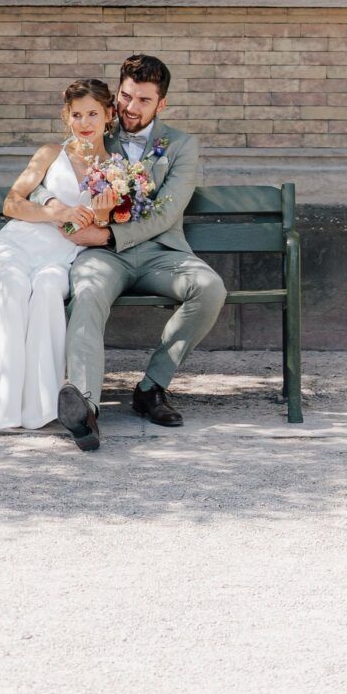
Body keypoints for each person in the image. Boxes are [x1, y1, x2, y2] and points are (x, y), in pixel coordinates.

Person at [56, 53, 226, 455]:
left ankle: (151, 388)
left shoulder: (181, 145)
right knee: (87, 292)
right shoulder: (97, 129)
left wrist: (109, 235)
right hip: (104, 257)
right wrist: (58, 210)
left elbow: (168, 212)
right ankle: (84, 407)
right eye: (126, 96)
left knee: (210, 288)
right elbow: (57, 172)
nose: (131, 107)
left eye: (144, 100)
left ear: (161, 104)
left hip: (159, 251)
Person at [0, 78, 118, 434]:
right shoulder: (50, 153)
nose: (85, 123)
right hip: (18, 244)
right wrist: (53, 211)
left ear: (109, 115)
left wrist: (101, 214)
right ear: (66, 116)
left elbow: (105, 227)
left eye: (93, 114)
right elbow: (11, 203)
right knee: (14, 288)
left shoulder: (116, 169)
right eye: (77, 115)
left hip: (60, 258)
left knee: (46, 292)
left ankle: (40, 407)